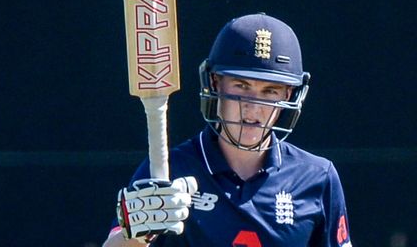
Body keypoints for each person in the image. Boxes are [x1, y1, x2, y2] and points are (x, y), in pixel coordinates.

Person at [103, 13, 353, 247]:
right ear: (215, 83)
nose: (253, 108)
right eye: (241, 86)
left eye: (270, 91)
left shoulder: (317, 177)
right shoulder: (168, 171)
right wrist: (136, 234)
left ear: (289, 95)